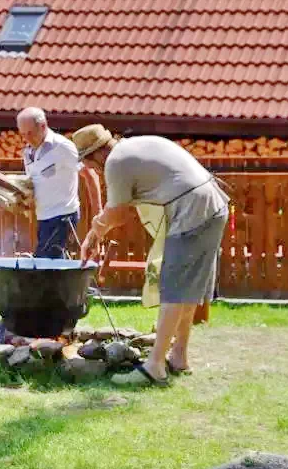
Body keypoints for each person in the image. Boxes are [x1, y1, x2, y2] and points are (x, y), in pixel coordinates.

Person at [73, 124, 230, 386]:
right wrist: (96, 233)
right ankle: (179, 356)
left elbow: (119, 212)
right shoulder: (136, 145)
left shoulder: (116, 163)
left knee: (173, 287)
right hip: (214, 205)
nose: (92, 169)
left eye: (89, 162)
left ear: (97, 154)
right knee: (187, 287)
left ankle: (155, 366)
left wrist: (93, 232)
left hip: (192, 210)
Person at [16, 107, 87, 258]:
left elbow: (89, 173)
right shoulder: (28, 153)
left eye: (30, 133)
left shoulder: (63, 146)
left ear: (43, 126)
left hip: (63, 216)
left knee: (45, 264)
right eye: (23, 134)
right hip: (42, 217)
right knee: (54, 266)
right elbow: (35, 185)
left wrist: (99, 211)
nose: (27, 138)